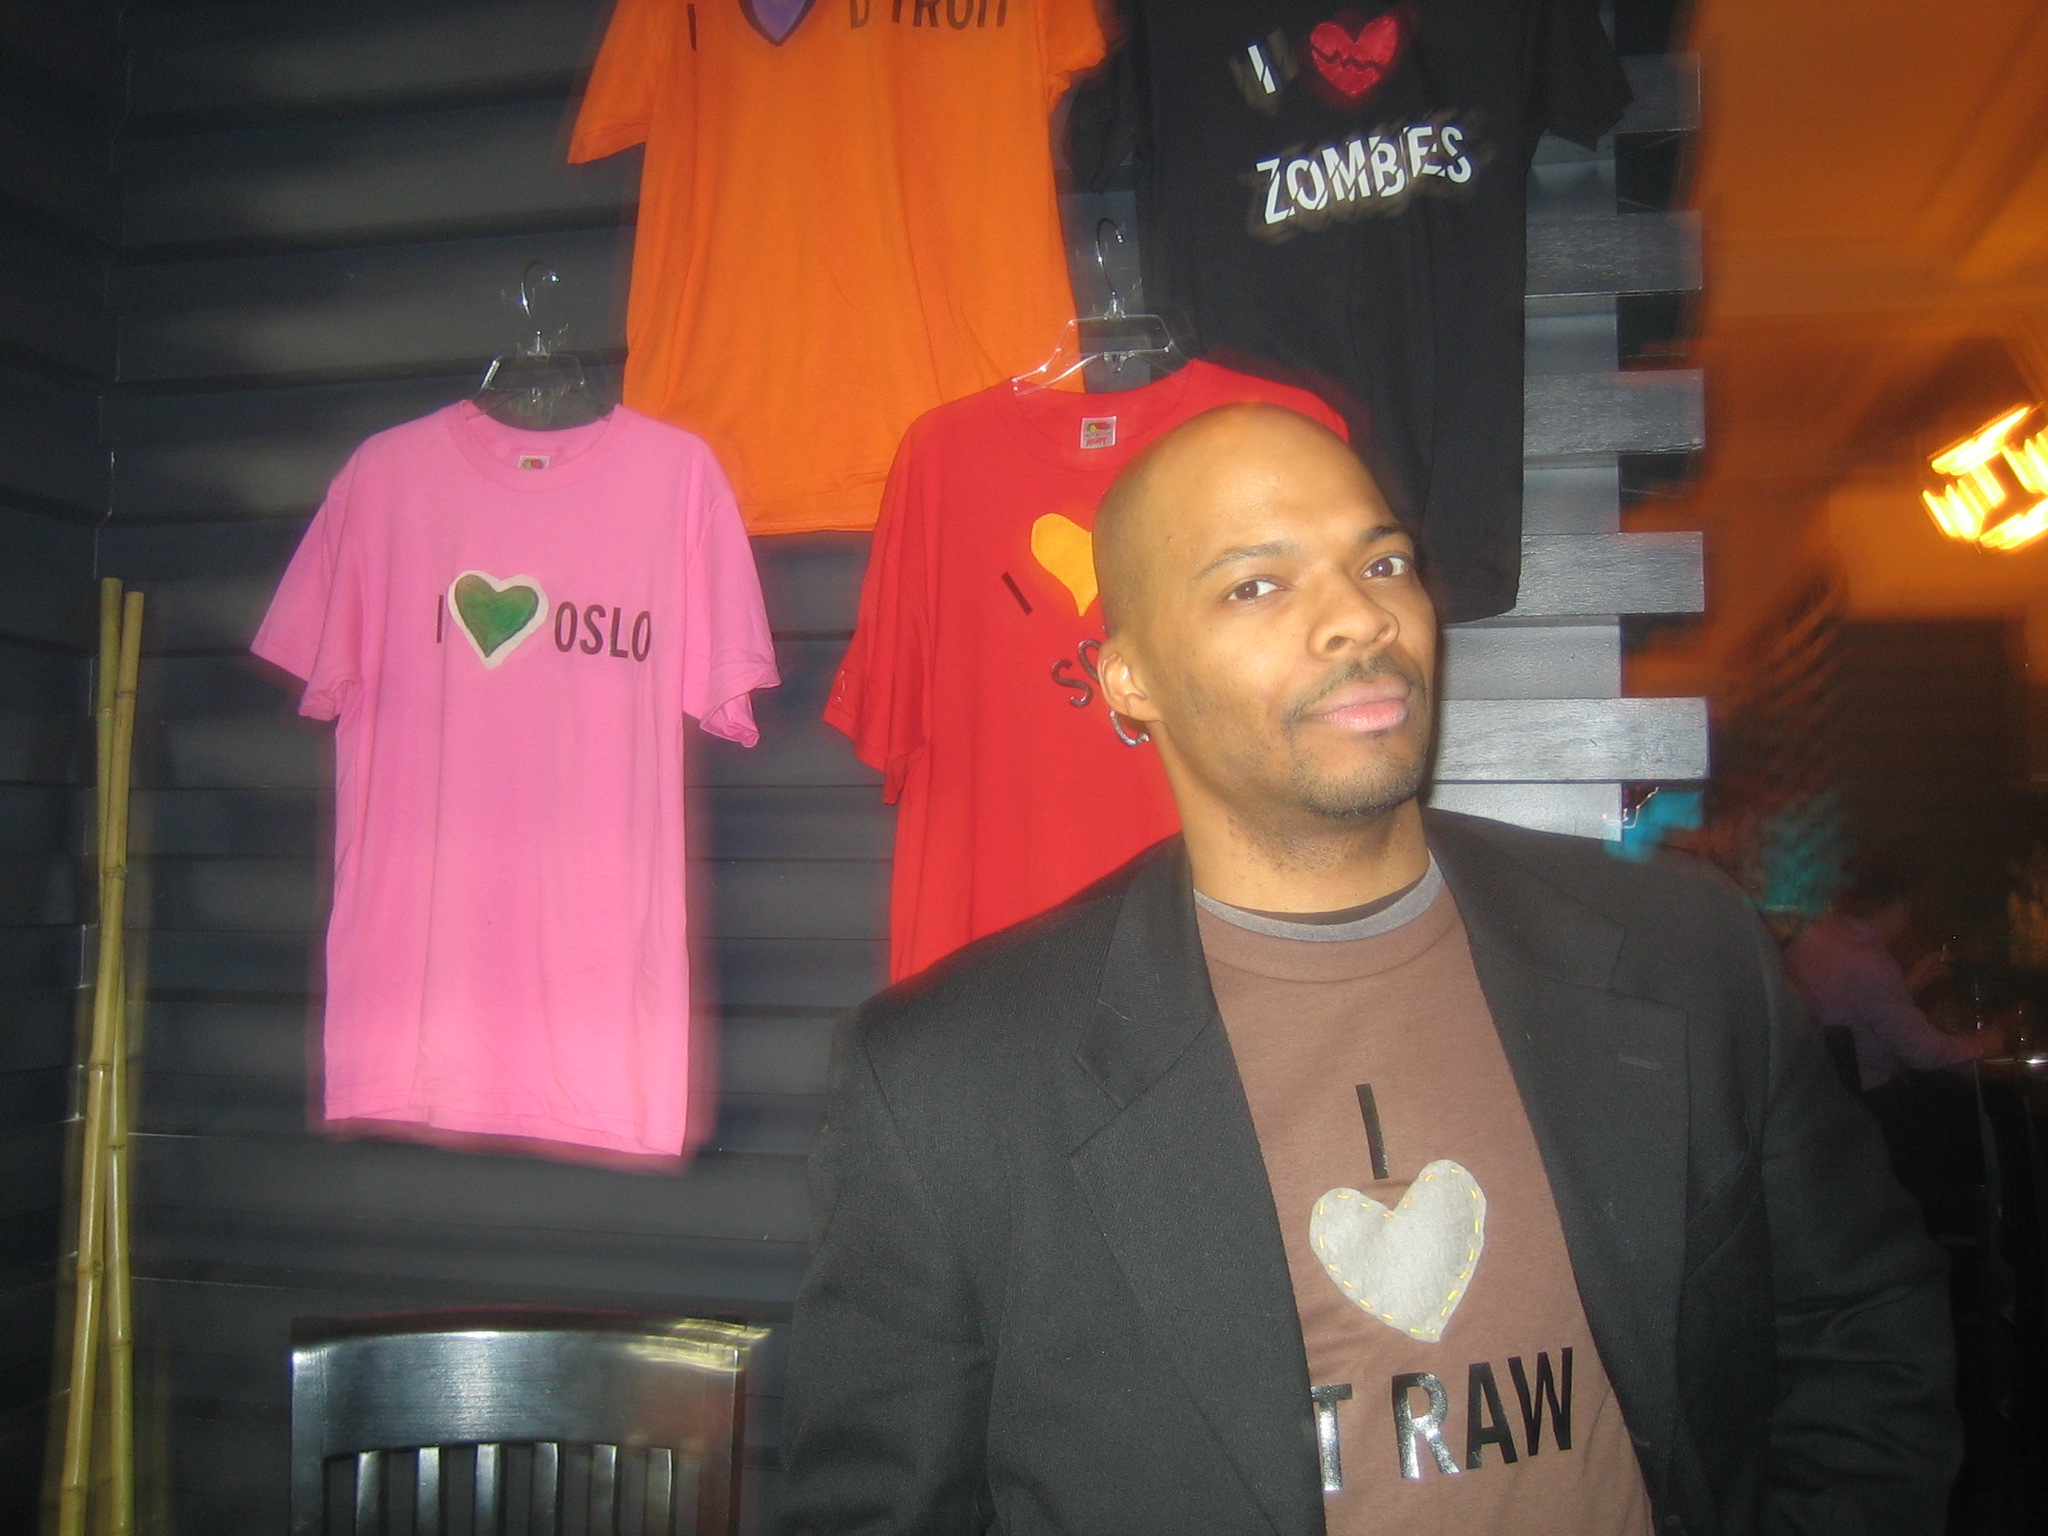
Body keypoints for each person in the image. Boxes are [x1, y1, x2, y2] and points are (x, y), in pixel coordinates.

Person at [780, 405, 1960, 1535]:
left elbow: (1861, 1333)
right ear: (1126, 678)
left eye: (1382, 563)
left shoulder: (1686, 954)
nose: (1358, 616)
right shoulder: (949, 1082)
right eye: (1255, 584)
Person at [1785, 852, 2005, 1092]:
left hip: (1820, 1091)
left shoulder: (1815, 939)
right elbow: (1921, 1052)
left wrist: (1907, 987)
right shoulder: (1868, 960)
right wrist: (1982, 1044)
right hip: (1869, 1098)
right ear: (1903, 902)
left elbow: (1853, 1011)